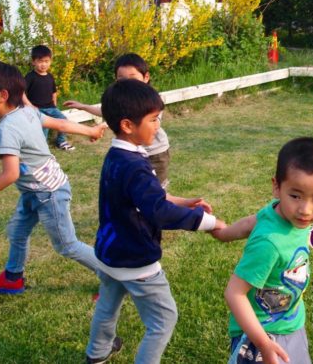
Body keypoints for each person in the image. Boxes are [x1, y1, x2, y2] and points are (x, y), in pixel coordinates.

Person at [85, 79, 226, 364]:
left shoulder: (118, 156)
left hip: (110, 253)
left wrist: (184, 202)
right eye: (153, 119)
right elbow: (158, 211)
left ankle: (97, 353)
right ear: (127, 125)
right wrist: (207, 222)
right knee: (163, 319)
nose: (158, 126)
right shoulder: (135, 166)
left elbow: (147, 197)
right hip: (136, 258)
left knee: (108, 305)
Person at [0, 62, 106, 294]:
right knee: (17, 232)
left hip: (48, 193)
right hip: (35, 191)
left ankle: (114, 278)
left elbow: (10, 174)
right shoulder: (27, 111)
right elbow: (60, 123)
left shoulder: (6, 129)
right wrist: (90, 130)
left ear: (2, 95)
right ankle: (12, 278)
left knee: (67, 244)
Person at [212, 137, 313, 364]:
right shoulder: (269, 243)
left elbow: (252, 221)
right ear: (277, 187)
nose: (305, 209)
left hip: (291, 322)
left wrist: (224, 233)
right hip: (261, 333)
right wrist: (263, 343)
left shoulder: (281, 212)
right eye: (295, 196)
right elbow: (234, 293)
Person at [64, 53, 172, 188]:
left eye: (133, 78)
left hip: (155, 153)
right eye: (122, 79)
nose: (128, 83)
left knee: (156, 188)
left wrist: (104, 125)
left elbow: (140, 121)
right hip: (133, 152)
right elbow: (109, 112)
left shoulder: (152, 100)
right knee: (135, 188)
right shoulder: (122, 100)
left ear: (146, 77)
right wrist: (84, 107)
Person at [24, 45, 75, 151]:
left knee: (64, 121)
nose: (43, 64)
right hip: (37, 109)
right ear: (33, 62)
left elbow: (53, 92)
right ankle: (42, 148)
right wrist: (29, 106)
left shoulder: (50, 76)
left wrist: (54, 104)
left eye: (46, 61)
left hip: (51, 108)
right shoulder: (30, 77)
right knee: (44, 128)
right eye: (40, 61)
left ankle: (61, 141)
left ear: (50, 61)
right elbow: (21, 93)